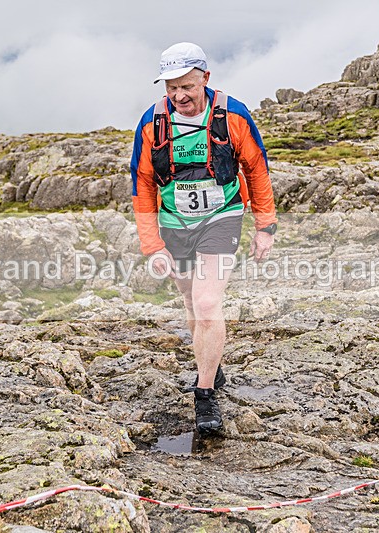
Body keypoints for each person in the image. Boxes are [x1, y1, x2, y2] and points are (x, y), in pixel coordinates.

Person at [130, 42, 277, 434]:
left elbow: (257, 170)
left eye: (188, 86)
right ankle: (212, 359)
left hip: (222, 218)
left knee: (208, 300)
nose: (180, 96)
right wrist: (152, 245)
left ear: (206, 80)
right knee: (189, 300)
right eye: (171, 88)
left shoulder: (233, 116)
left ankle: (205, 393)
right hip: (173, 223)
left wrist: (265, 226)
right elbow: (142, 185)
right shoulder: (152, 122)